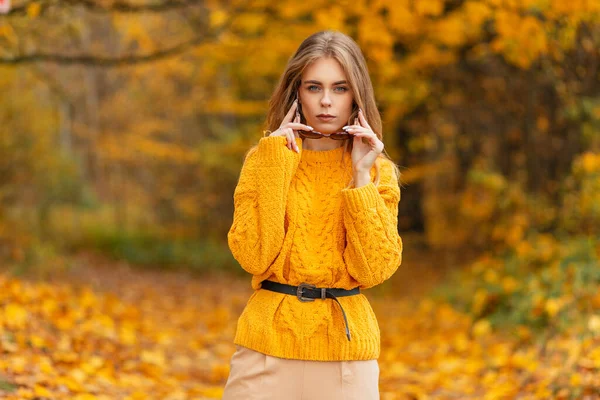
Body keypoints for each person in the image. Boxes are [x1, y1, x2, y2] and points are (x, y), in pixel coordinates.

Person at [222, 30, 403, 399]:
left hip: (345, 354)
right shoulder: (265, 161)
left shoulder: (376, 171)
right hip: (265, 349)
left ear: (356, 95)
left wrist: (360, 177)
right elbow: (252, 256)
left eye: (340, 88)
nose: (325, 101)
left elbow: (375, 269)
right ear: (296, 92)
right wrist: (276, 160)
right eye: (313, 87)